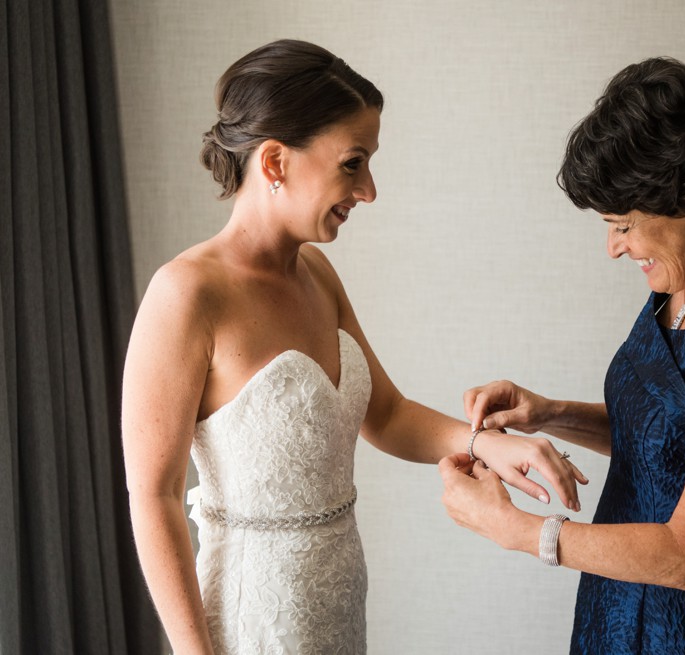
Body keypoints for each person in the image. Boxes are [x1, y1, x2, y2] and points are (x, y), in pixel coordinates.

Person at [120, 39, 586, 655]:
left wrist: (490, 445)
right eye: (352, 163)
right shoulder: (185, 295)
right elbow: (153, 495)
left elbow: (387, 415)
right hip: (251, 622)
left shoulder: (316, 272)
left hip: (339, 609)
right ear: (276, 162)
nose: (368, 190)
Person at [439, 57, 685, 654]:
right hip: (614, 607)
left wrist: (516, 531)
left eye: (624, 226)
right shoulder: (680, 282)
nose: (613, 248)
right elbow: (669, 444)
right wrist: (548, 413)